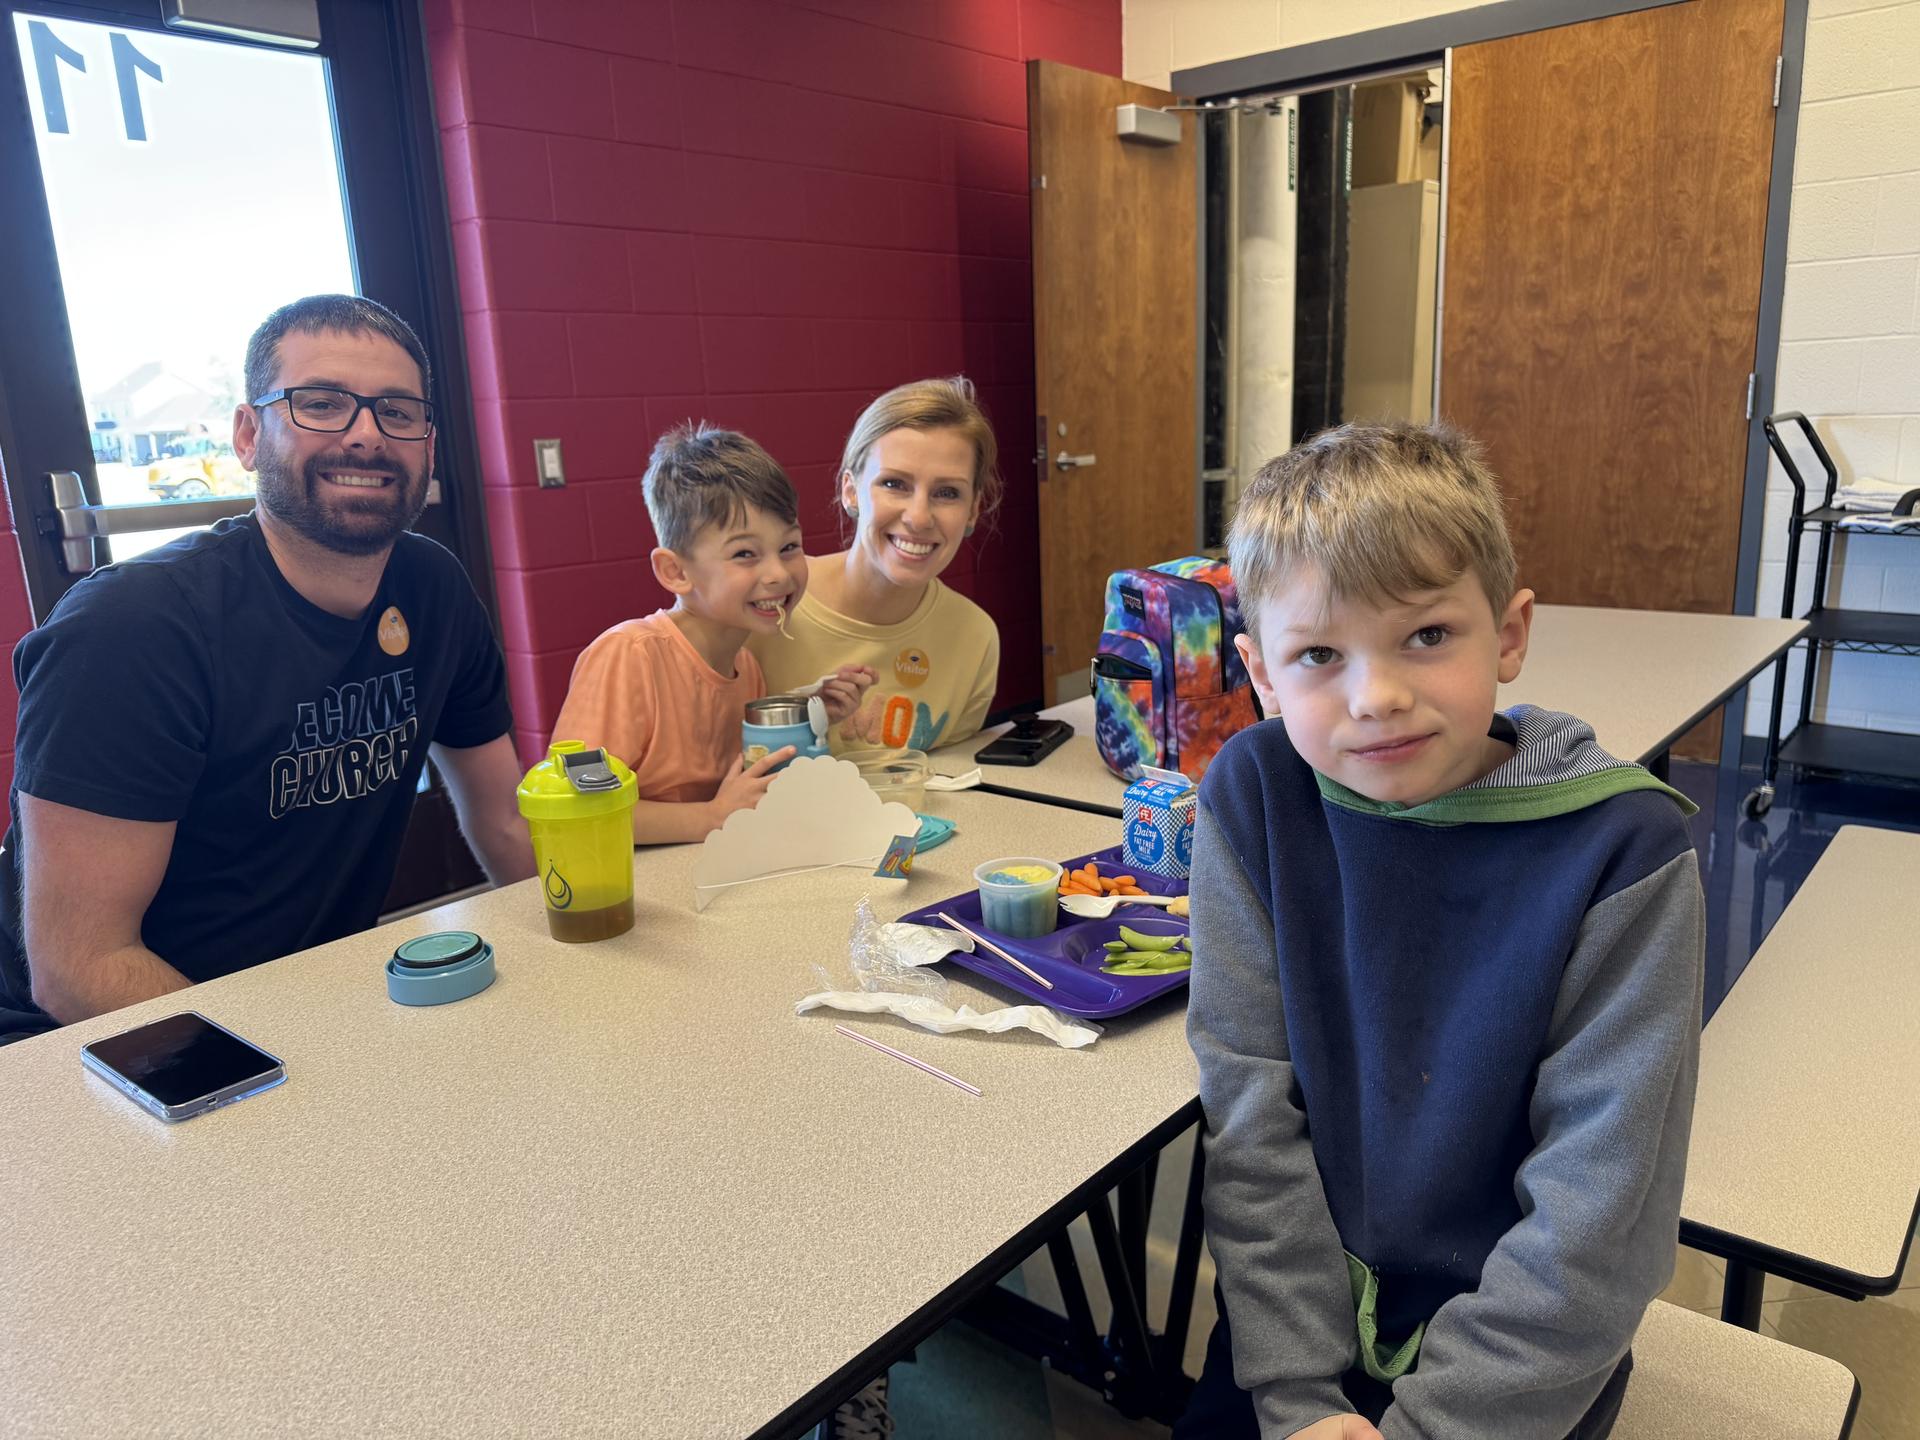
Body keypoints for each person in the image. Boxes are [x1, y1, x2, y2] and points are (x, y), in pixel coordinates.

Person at [1179, 422, 1703, 1439]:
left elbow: (1598, 1211)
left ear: (1508, 633)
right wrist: (1298, 1398)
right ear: (1261, 673)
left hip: (1520, 1371)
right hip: (1296, 1340)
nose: (1377, 697)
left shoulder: (1624, 850)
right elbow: (1251, 1113)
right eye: (1318, 654)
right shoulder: (1253, 792)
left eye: (1426, 636)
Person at [0, 294, 534, 1043]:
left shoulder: (433, 588)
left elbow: (505, 819)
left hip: (308, 1002)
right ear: (249, 436)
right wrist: (289, 1077)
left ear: (430, 447)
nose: (366, 434)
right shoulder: (131, 630)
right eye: (321, 404)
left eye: (397, 412)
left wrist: (584, 960)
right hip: (77, 1047)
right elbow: (82, 967)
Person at [551, 424, 873, 845]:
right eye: (745, 553)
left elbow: (747, 789)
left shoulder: (746, 667)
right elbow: (575, 806)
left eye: (789, 547)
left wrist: (811, 715)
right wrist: (711, 817)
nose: (778, 574)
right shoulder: (629, 655)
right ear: (675, 572)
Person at [752, 376, 1001, 755]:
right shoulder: (767, 607)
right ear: (850, 490)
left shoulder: (974, 637)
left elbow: (950, 774)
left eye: (947, 492)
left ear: (973, 510)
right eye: (894, 484)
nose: (919, 517)